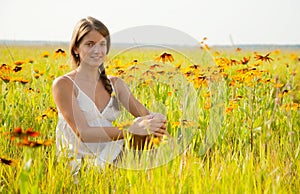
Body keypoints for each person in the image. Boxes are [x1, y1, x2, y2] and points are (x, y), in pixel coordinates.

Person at [52, 16, 169, 171]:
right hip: (78, 161)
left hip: (109, 153)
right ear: (76, 49)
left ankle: (170, 171)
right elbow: (83, 133)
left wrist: (157, 120)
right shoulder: (64, 84)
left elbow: (145, 116)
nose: (97, 51)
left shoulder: (116, 84)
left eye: (102, 44)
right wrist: (130, 129)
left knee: (151, 134)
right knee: (141, 133)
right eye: (89, 44)